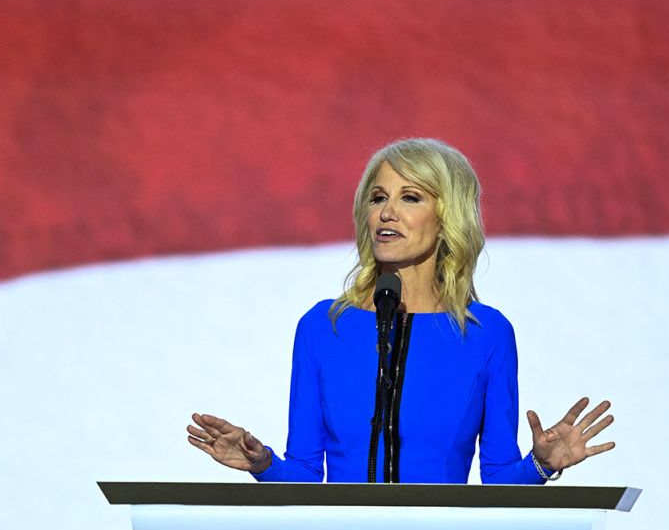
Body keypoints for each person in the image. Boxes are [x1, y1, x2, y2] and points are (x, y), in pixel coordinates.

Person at [186, 138, 614, 483]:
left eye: (410, 197)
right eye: (377, 198)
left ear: (448, 217)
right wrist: (262, 464)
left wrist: (541, 465)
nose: (386, 212)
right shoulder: (323, 327)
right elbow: (303, 473)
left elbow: (499, 480)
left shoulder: (487, 335)